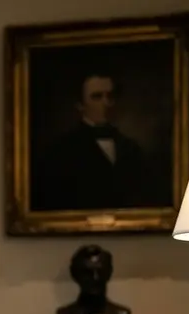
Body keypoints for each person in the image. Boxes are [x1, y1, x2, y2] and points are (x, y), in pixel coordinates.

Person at [32, 69, 159, 212]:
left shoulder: (132, 148)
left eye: (110, 96)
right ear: (80, 104)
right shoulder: (60, 152)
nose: (106, 103)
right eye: (97, 97)